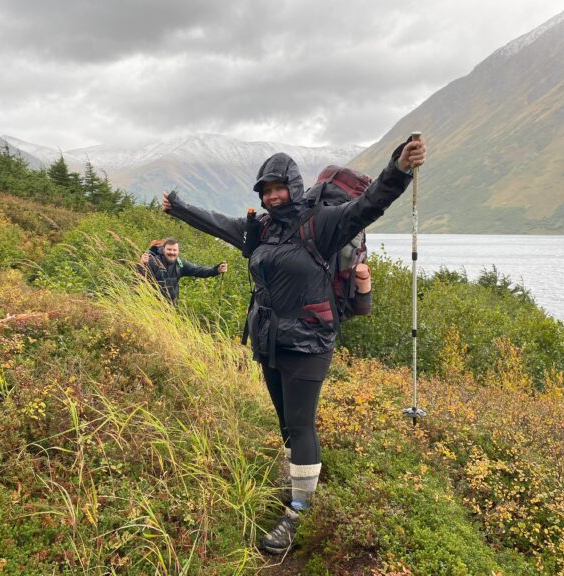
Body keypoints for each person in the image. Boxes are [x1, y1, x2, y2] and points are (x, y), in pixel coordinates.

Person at [162, 137, 426, 554]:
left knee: (301, 426)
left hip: (308, 343)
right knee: (286, 423)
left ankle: (299, 511)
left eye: (277, 188)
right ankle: (296, 478)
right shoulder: (261, 229)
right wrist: (178, 208)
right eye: (265, 190)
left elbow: (371, 203)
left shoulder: (323, 224)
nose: (271, 196)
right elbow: (219, 224)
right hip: (270, 341)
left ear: (294, 186)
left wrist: (399, 166)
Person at [138, 237, 227, 304]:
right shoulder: (152, 261)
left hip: (171, 308)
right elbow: (138, 281)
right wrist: (141, 265)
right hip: (152, 306)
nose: (172, 252)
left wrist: (216, 270)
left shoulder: (180, 264)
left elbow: (199, 270)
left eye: (174, 250)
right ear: (163, 250)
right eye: (169, 249)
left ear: (178, 252)